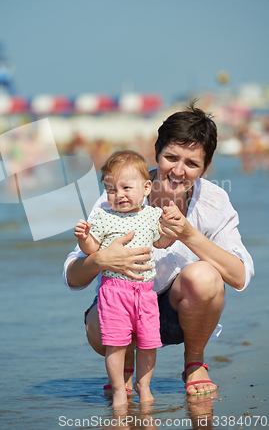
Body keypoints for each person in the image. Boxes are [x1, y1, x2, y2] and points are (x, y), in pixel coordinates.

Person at [63, 103, 254, 397]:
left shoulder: (214, 201)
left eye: (192, 164)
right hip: (123, 309)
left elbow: (240, 276)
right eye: (171, 157)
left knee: (204, 276)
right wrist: (100, 259)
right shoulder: (121, 194)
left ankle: (194, 363)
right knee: (95, 325)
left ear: (206, 166)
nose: (178, 170)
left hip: (180, 313)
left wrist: (190, 235)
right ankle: (125, 368)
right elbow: (73, 277)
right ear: (156, 152)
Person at [74, 151, 178, 406]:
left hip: (145, 293)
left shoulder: (152, 215)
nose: (118, 194)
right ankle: (120, 389)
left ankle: (144, 386)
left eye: (125, 187)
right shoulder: (102, 216)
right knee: (116, 344)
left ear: (145, 189)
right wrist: (84, 238)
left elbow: (161, 242)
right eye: (110, 189)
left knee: (148, 342)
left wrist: (172, 230)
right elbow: (92, 249)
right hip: (114, 292)